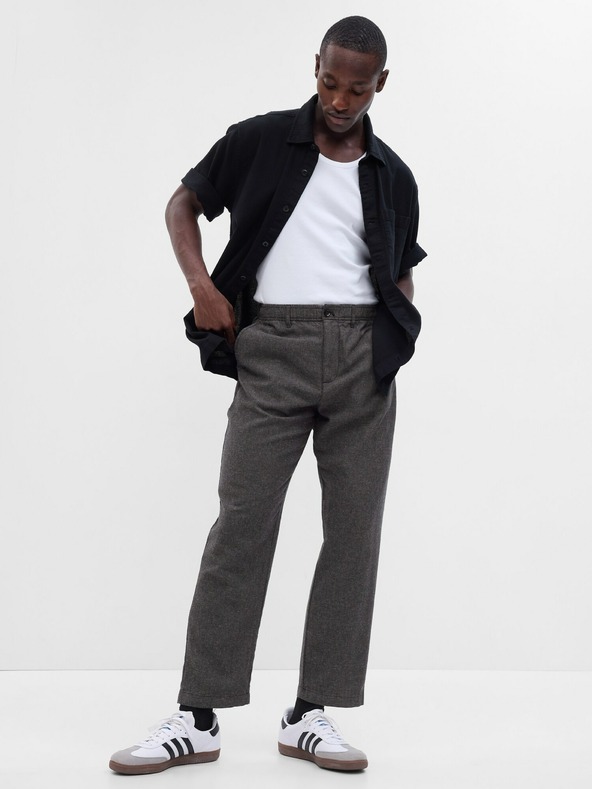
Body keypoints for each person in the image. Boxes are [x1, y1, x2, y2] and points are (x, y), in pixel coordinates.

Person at [109, 15, 426, 775]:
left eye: (357, 88)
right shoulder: (257, 140)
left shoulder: (393, 173)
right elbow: (183, 203)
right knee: (243, 524)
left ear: (381, 84)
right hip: (272, 348)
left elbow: (399, 265)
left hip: (362, 359)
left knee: (353, 535)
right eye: (330, 81)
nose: (340, 100)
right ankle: (199, 716)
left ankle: (312, 712)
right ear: (315, 65)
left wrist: (393, 337)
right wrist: (202, 287)